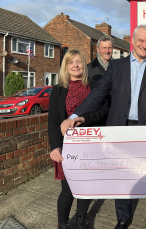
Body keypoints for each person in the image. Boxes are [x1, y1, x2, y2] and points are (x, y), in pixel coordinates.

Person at [65, 25, 146, 229]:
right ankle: (123, 218)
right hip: (119, 129)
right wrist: (76, 115)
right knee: (123, 175)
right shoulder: (117, 66)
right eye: (141, 41)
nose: (145, 45)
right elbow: (99, 93)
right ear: (133, 40)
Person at [48, 50, 110, 229]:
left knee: (86, 187)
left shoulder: (94, 85)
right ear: (66, 67)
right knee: (68, 190)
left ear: (84, 64)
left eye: (79, 62)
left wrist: (85, 119)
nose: (75, 65)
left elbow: (103, 110)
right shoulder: (58, 90)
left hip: (90, 144)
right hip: (67, 147)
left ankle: (82, 221)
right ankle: (63, 224)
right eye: (71, 62)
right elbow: (53, 121)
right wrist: (54, 147)